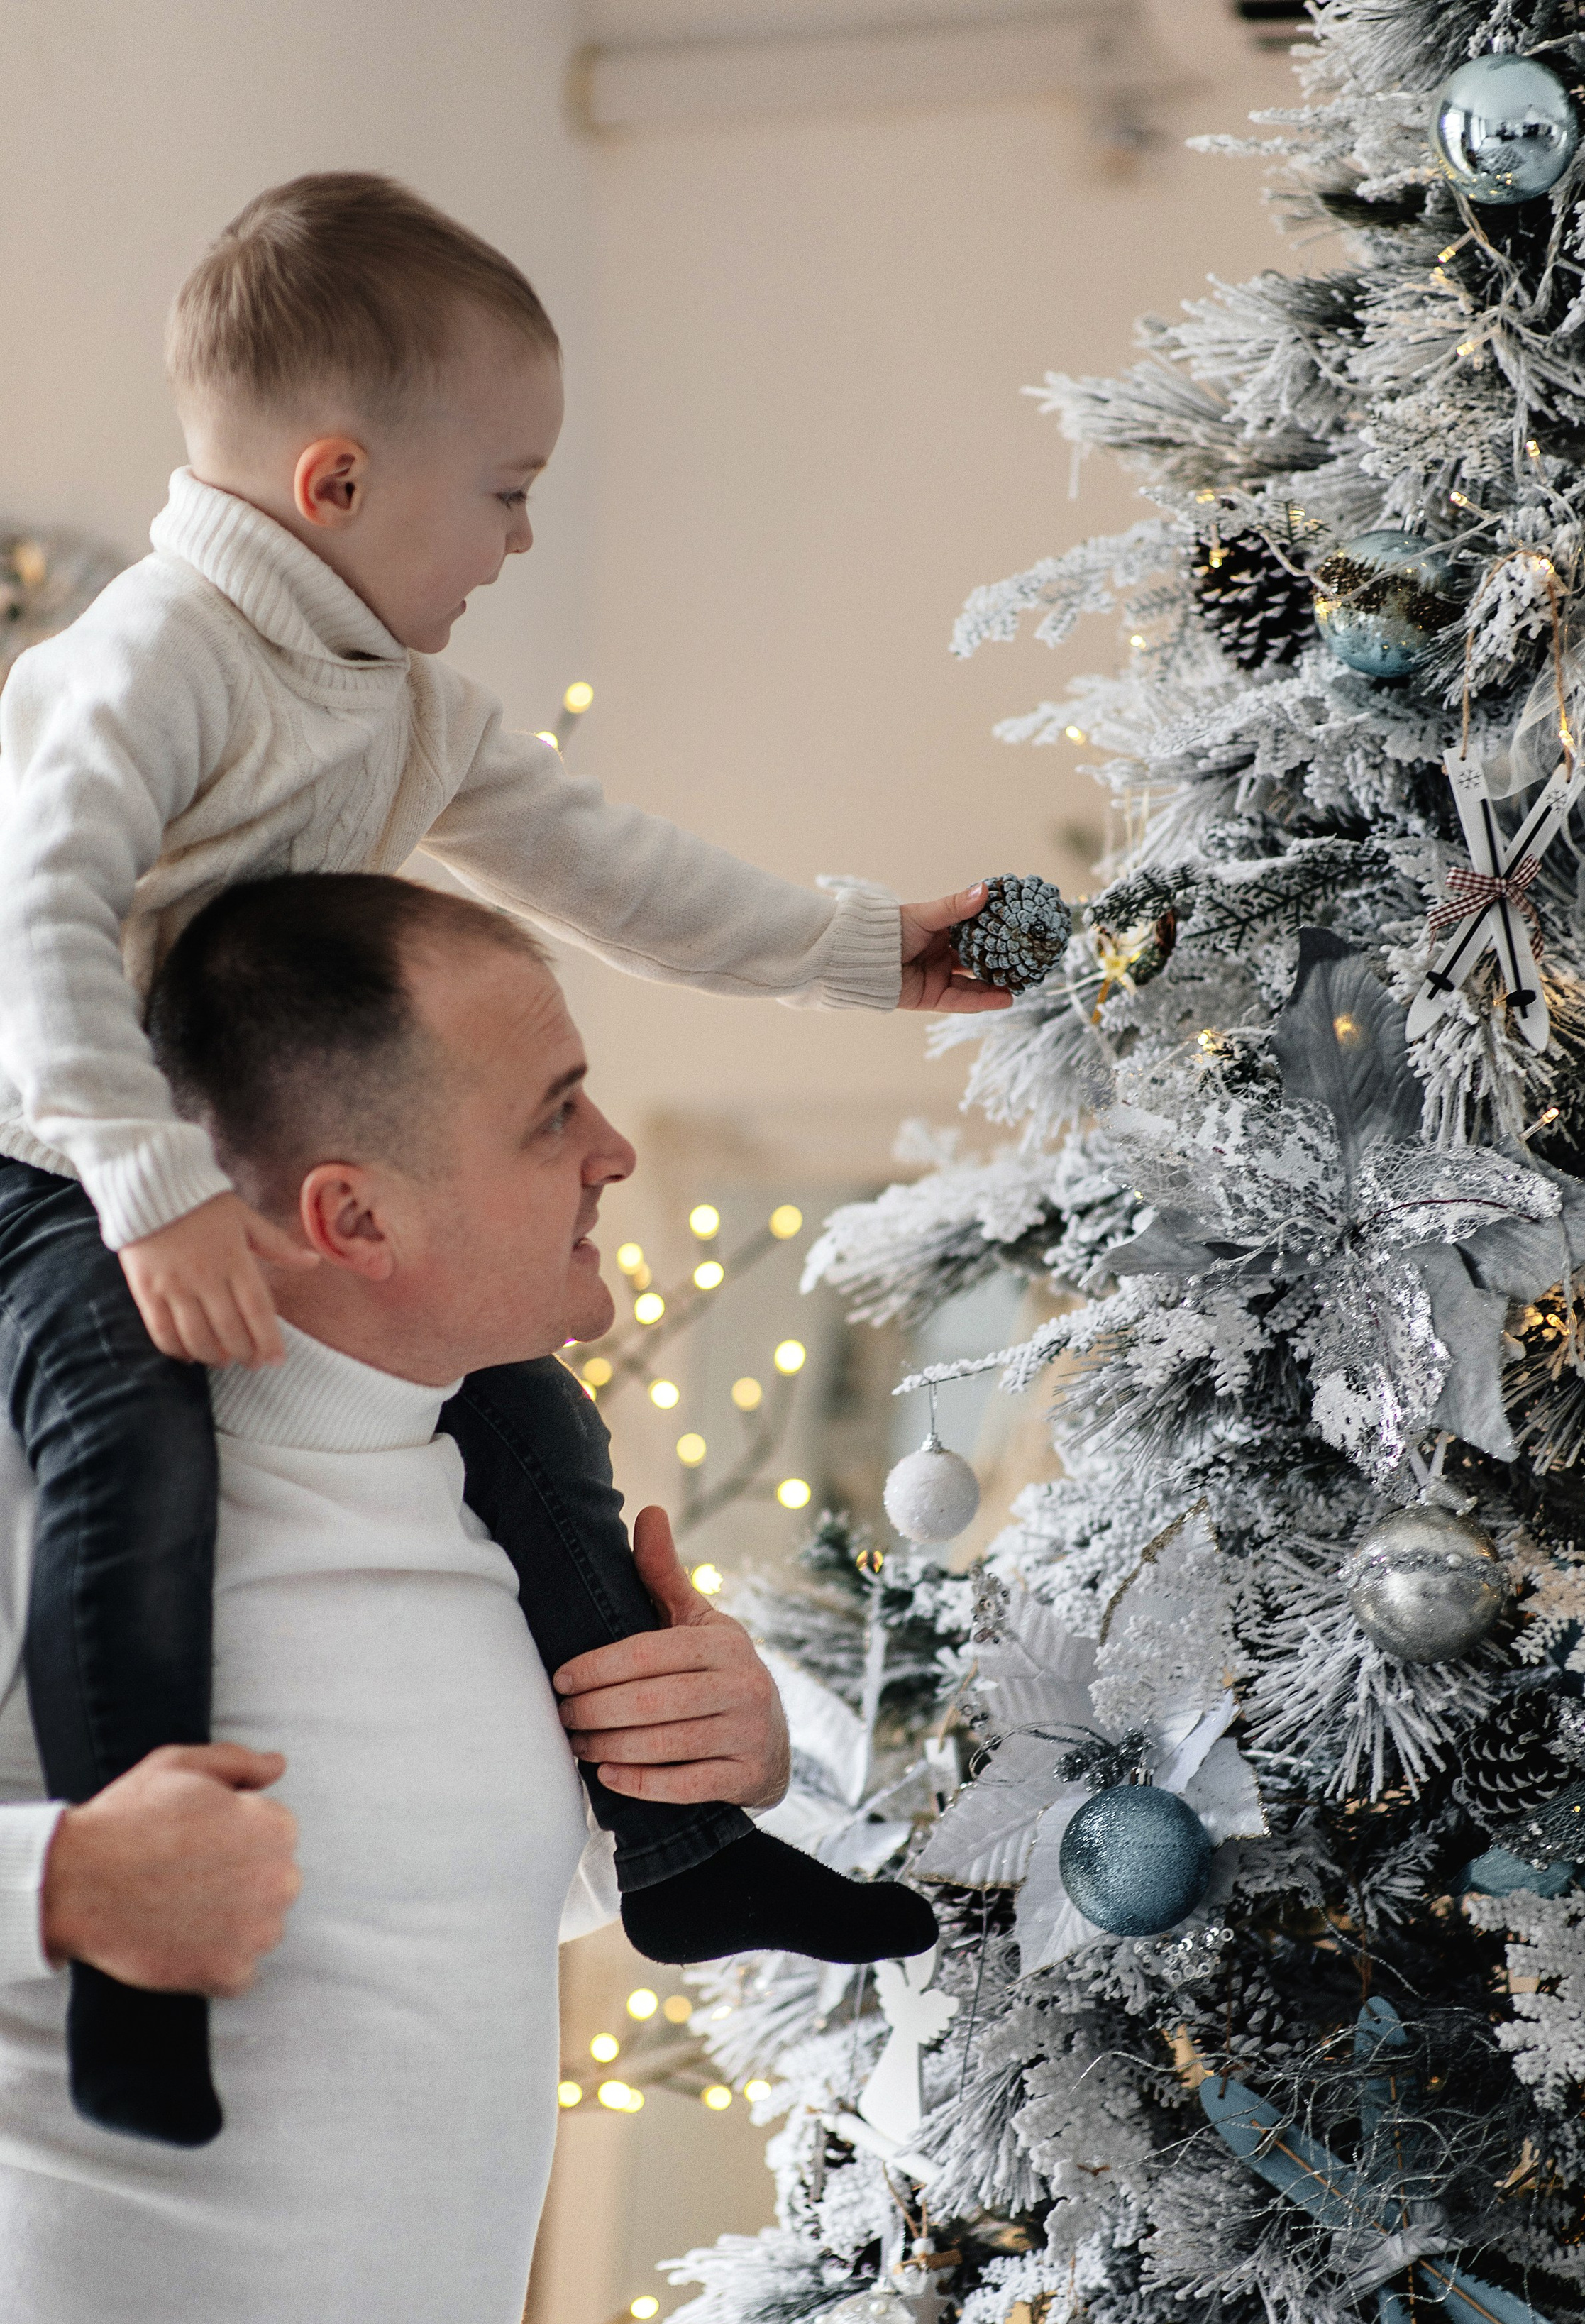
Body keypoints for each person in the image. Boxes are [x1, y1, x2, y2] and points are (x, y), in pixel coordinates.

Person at [0, 172, 990, 2148]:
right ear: (340, 482)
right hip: (50, 1157)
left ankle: (684, 1855)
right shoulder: (155, 657)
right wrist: (144, 1182)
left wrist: (874, 951)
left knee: (539, 1428)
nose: (524, 541)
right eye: (509, 492)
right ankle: (138, 1940)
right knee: (131, 1449)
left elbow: (626, 879)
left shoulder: (406, 709)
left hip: (204, 1173)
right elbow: (41, 915)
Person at [0, 869, 929, 2324]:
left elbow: (421, 1899)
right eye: (551, 1112)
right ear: (351, 1214)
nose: (615, 1150)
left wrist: (713, 1761)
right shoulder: (45, 1474)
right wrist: (61, 1882)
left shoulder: (492, 1507)